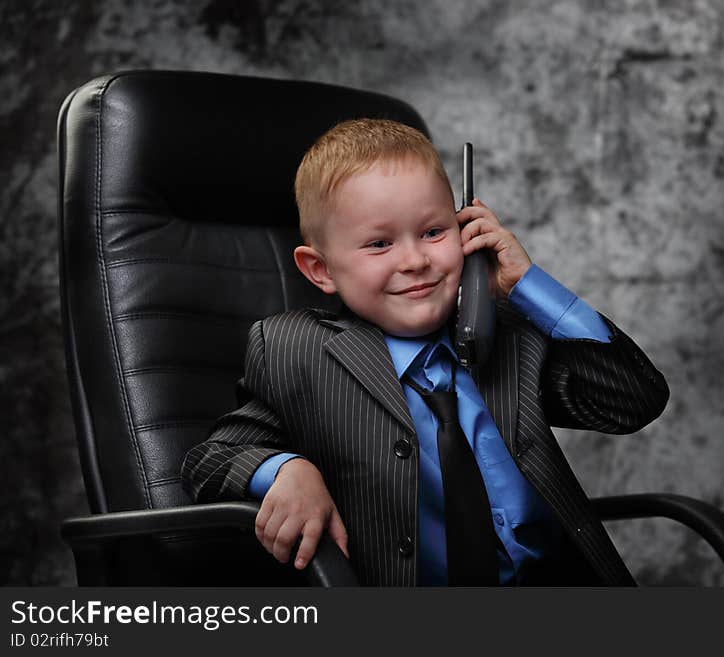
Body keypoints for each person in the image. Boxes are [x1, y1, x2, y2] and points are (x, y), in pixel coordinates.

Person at [181, 118, 669, 586]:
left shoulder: (511, 337)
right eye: (379, 243)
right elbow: (210, 459)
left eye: (434, 232)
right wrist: (286, 471)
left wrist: (528, 287)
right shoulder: (297, 350)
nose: (415, 260)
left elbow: (632, 401)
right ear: (320, 270)